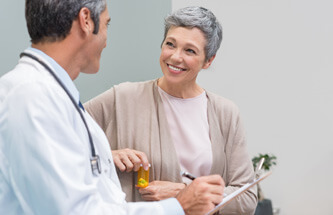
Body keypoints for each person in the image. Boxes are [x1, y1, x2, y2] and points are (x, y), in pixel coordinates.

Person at [0, 1, 225, 214]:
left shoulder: (50, 95)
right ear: (86, 20)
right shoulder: (32, 97)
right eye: (106, 24)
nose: (106, 40)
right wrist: (178, 206)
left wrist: (106, 155)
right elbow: (76, 211)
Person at [84, 6, 257, 215]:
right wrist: (107, 154)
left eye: (190, 50)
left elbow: (246, 197)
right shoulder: (121, 97)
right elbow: (60, 139)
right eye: (170, 44)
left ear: (209, 60)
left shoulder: (226, 113)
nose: (175, 57)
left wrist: (182, 192)